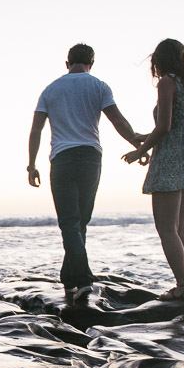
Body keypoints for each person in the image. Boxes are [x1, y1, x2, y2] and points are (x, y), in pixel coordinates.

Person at [28, 43, 143, 302]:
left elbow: (36, 130)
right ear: (91, 63)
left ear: (67, 63)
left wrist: (31, 164)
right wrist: (137, 144)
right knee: (79, 222)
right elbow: (118, 121)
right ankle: (72, 278)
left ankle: (78, 279)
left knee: (70, 222)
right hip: (91, 158)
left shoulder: (50, 89)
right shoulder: (98, 86)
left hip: (62, 159)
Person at [123, 39, 184, 301]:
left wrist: (140, 151)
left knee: (167, 229)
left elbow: (165, 127)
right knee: (181, 229)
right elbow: (182, 124)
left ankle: (182, 287)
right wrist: (145, 136)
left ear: (161, 60)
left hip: (171, 156)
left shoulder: (167, 82)